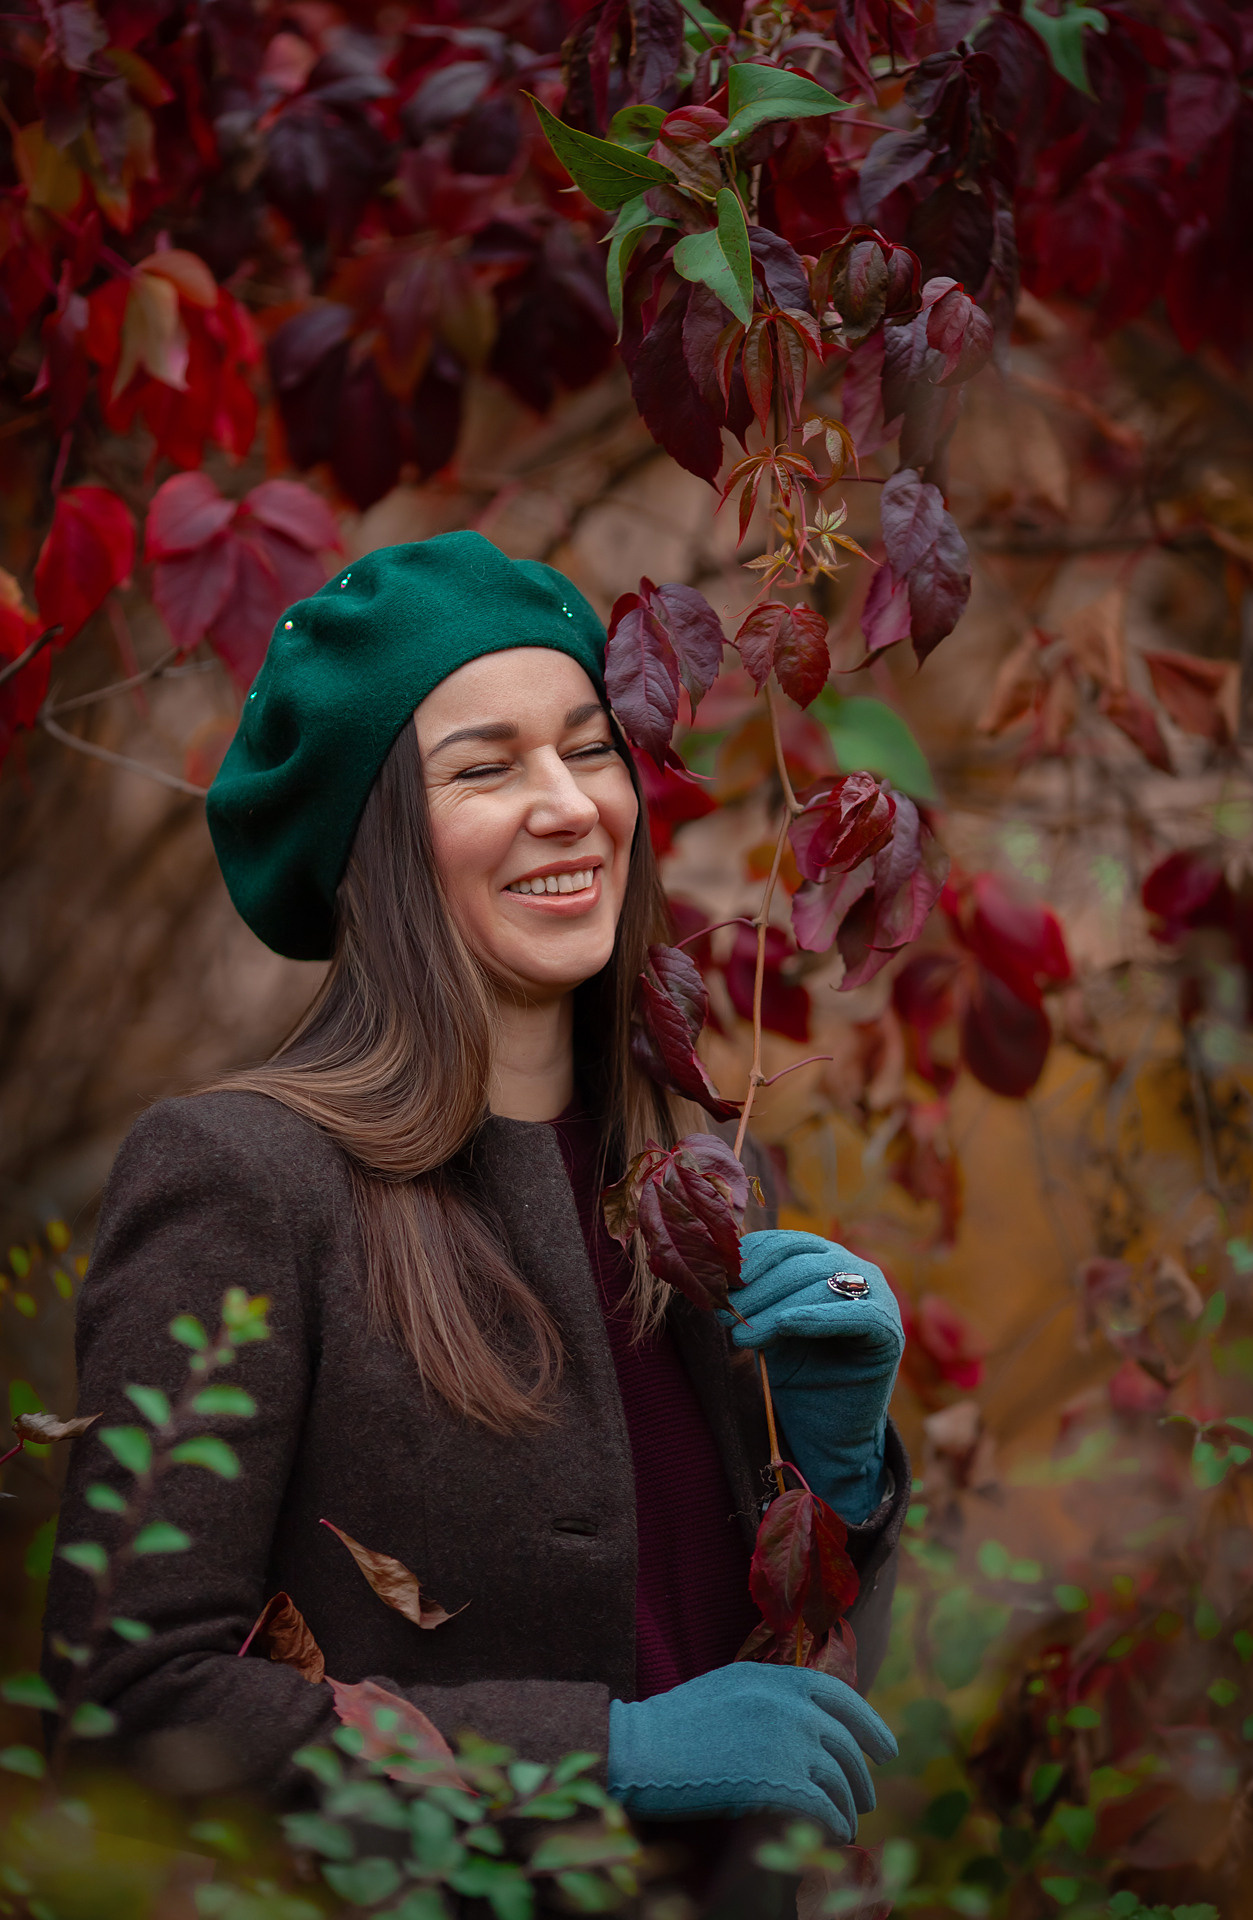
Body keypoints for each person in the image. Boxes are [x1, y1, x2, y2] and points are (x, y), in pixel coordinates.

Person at [44, 533, 909, 1902]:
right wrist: (600, 1753)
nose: (569, 806)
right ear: (374, 836)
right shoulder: (245, 1178)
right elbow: (134, 1705)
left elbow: (814, 1724)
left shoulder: (697, 1198)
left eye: (588, 748)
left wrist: (843, 1475)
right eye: (487, 768)